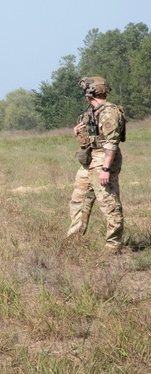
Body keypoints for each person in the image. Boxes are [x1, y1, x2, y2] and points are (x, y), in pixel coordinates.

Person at [68, 76, 126, 252]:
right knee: (79, 200)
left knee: (108, 202)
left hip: (104, 160)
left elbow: (112, 143)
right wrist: (78, 133)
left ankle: (113, 246)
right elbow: (87, 142)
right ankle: (74, 241)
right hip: (90, 160)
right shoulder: (90, 113)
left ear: (91, 91)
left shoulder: (109, 112)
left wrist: (105, 168)